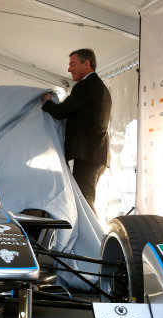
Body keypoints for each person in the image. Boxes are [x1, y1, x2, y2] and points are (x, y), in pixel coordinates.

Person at [41, 48, 111, 213]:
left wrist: (47, 102)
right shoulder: (99, 86)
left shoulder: (86, 85)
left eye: (72, 64)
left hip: (88, 155)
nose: (69, 69)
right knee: (84, 201)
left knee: (84, 204)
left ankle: (93, 231)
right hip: (95, 154)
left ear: (86, 64)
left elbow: (61, 111)